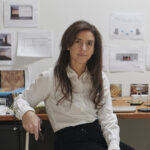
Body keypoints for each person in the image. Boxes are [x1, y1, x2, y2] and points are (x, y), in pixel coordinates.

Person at [14, 20, 135, 150]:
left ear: (94, 49)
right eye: (78, 42)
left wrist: (114, 146)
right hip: (69, 141)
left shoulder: (99, 77)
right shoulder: (50, 77)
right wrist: (27, 112)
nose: (83, 48)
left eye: (89, 44)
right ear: (68, 45)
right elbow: (20, 100)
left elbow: (107, 118)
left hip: (97, 136)